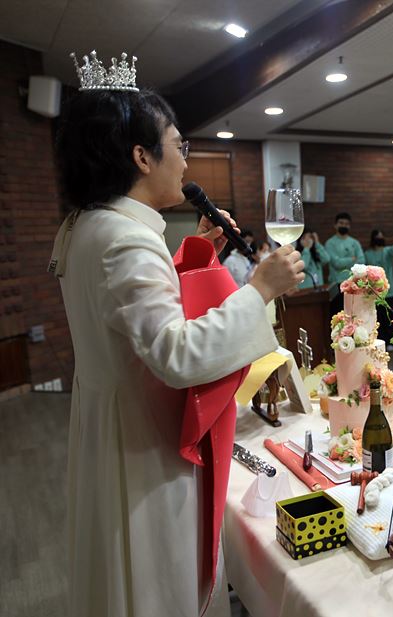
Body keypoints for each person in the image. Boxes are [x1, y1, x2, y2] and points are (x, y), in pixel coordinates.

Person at [52, 83, 305, 616]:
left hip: (105, 417)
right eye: (178, 145)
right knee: (154, 577)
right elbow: (176, 354)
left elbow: (129, 314)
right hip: (142, 435)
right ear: (142, 157)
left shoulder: (86, 225)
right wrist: (260, 290)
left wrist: (197, 256)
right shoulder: (126, 239)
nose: (186, 160)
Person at [325, 212, 364, 313]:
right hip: (336, 285)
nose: (344, 225)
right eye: (341, 223)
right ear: (335, 225)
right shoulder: (330, 243)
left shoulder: (355, 243)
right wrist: (352, 259)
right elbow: (336, 263)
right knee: (337, 315)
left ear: (349, 226)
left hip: (353, 284)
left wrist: (343, 260)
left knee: (353, 315)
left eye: (346, 224)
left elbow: (362, 261)